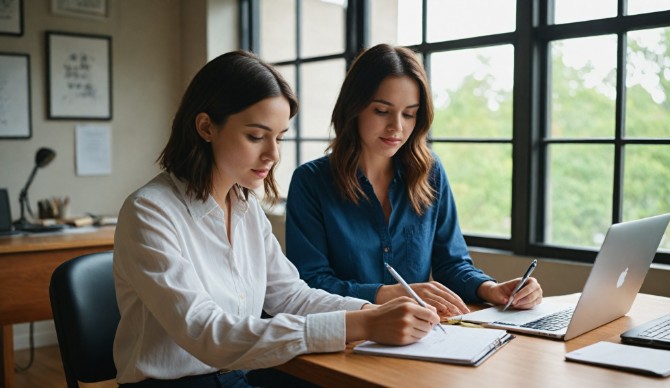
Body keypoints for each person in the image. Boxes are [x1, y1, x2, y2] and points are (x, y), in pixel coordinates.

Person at [112, 50, 441, 388]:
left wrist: (370, 312)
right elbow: (207, 333)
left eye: (279, 137)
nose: (273, 154)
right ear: (206, 127)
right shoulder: (149, 212)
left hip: (239, 378)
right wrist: (364, 325)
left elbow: (292, 297)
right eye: (256, 136)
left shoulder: (246, 207)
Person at [285, 44, 543, 319]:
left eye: (409, 114)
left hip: (419, 337)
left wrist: (491, 289)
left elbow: (452, 265)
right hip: (344, 337)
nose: (397, 127)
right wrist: (388, 293)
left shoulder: (430, 172)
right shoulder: (311, 182)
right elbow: (310, 283)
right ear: (354, 108)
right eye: (382, 111)